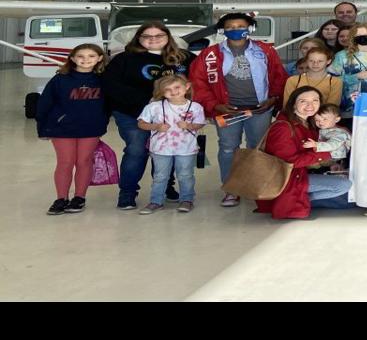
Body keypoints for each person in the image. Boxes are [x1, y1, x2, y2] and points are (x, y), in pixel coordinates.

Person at [191, 12, 288, 207]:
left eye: (240, 26)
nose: (235, 30)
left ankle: (255, 186)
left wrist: (273, 99)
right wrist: (214, 105)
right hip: (227, 110)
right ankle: (231, 189)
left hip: (259, 109)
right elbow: (198, 82)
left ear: (250, 28)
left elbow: (278, 75)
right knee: (228, 148)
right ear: (223, 30)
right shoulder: (209, 54)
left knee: (257, 148)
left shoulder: (265, 50)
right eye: (230, 27)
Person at [101, 22, 196, 210]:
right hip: (132, 113)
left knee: (167, 151)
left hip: (171, 115)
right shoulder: (124, 59)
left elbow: (198, 80)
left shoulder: (184, 58)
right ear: (139, 38)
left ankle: (165, 187)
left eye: (159, 35)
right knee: (136, 150)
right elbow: (111, 85)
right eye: (147, 36)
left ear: (168, 36)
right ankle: (127, 193)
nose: (153, 40)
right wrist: (149, 100)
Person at [256, 86, 353, 219]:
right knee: (345, 188)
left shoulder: (311, 123)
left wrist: (329, 163)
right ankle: (290, 200)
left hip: (303, 174)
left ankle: (298, 199)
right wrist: (327, 154)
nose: (310, 105)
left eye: (315, 100)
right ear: (293, 104)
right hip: (289, 180)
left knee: (351, 192)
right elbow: (290, 162)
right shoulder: (283, 127)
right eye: (303, 101)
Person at [37, 43, 110, 216]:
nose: (86, 60)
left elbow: (112, 102)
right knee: (65, 162)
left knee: (84, 161)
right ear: (72, 58)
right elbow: (44, 104)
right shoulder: (60, 79)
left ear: (100, 58)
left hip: (91, 127)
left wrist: (103, 120)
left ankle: (79, 197)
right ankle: (61, 198)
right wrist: (43, 128)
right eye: (81, 56)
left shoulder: (104, 79)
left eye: (91, 56)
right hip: (62, 128)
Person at [135, 75, 206, 214]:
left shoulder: (196, 107)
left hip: (186, 148)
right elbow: (141, 123)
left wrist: (189, 125)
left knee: (185, 175)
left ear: (187, 87)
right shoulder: (154, 107)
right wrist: (155, 126)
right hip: (161, 149)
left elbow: (200, 124)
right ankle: (156, 201)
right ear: (161, 92)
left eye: (177, 87)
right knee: (160, 176)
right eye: (167, 89)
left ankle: (187, 200)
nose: (173, 92)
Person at [311, 103, 351, 173]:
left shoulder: (339, 132)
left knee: (312, 162)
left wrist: (316, 145)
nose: (320, 122)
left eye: (325, 119)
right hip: (327, 153)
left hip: (334, 156)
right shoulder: (326, 129)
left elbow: (333, 144)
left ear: (336, 119)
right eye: (317, 120)